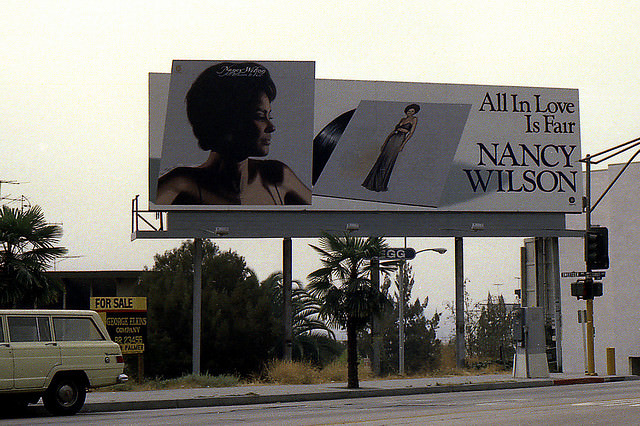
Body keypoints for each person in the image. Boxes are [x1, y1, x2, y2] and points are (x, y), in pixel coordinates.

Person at [156, 62, 311, 205]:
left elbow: (323, 214)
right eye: (259, 116)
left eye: (269, 116)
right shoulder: (181, 183)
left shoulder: (277, 176)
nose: (271, 127)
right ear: (227, 120)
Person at [362, 104, 420, 192]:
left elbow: (411, 133)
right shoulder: (402, 119)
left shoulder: (414, 119)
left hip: (400, 139)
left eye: (412, 111)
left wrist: (402, 145)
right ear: (406, 111)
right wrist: (384, 143)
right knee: (382, 159)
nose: (410, 113)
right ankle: (371, 183)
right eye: (409, 111)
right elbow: (393, 132)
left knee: (389, 161)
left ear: (415, 112)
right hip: (392, 138)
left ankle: (380, 185)